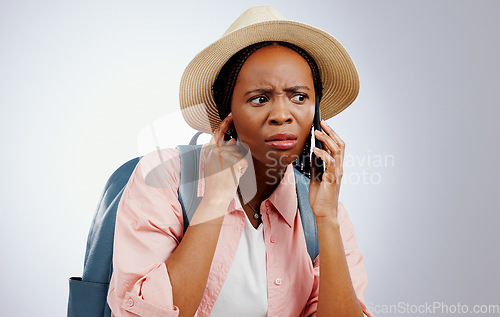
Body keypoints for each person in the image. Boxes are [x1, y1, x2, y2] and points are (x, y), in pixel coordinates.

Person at [107, 6, 372, 317]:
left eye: (299, 97)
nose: (283, 115)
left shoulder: (321, 210)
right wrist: (216, 198)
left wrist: (327, 220)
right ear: (227, 112)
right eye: (259, 98)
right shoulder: (167, 177)